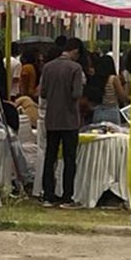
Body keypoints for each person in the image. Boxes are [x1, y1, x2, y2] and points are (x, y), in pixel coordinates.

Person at [39, 38, 86, 207]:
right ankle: (67, 196)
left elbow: (43, 93)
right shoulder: (76, 68)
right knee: (69, 158)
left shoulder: (48, 67)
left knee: (50, 157)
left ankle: (48, 195)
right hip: (70, 120)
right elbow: (76, 93)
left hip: (51, 118)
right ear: (74, 51)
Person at [86, 55, 128, 124]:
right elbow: (122, 97)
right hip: (112, 111)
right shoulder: (113, 79)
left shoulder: (95, 79)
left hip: (98, 111)